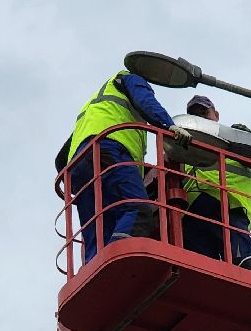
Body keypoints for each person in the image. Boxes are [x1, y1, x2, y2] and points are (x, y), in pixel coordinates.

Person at [62, 70, 189, 263]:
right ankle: (116, 260)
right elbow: (146, 101)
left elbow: (60, 159)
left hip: (79, 166)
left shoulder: (97, 105)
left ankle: (96, 267)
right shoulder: (130, 78)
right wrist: (169, 126)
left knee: (98, 231)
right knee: (138, 210)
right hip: (110, 150)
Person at [178, 94, 251, 268]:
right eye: (195, 115)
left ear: (216, 115)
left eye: (204, 113)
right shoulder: (185, 149)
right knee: (200, 270)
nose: (201, 118)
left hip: (231, 209)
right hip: (196, 215)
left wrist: (248, 141)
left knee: (241, 264)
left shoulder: (235, 142)